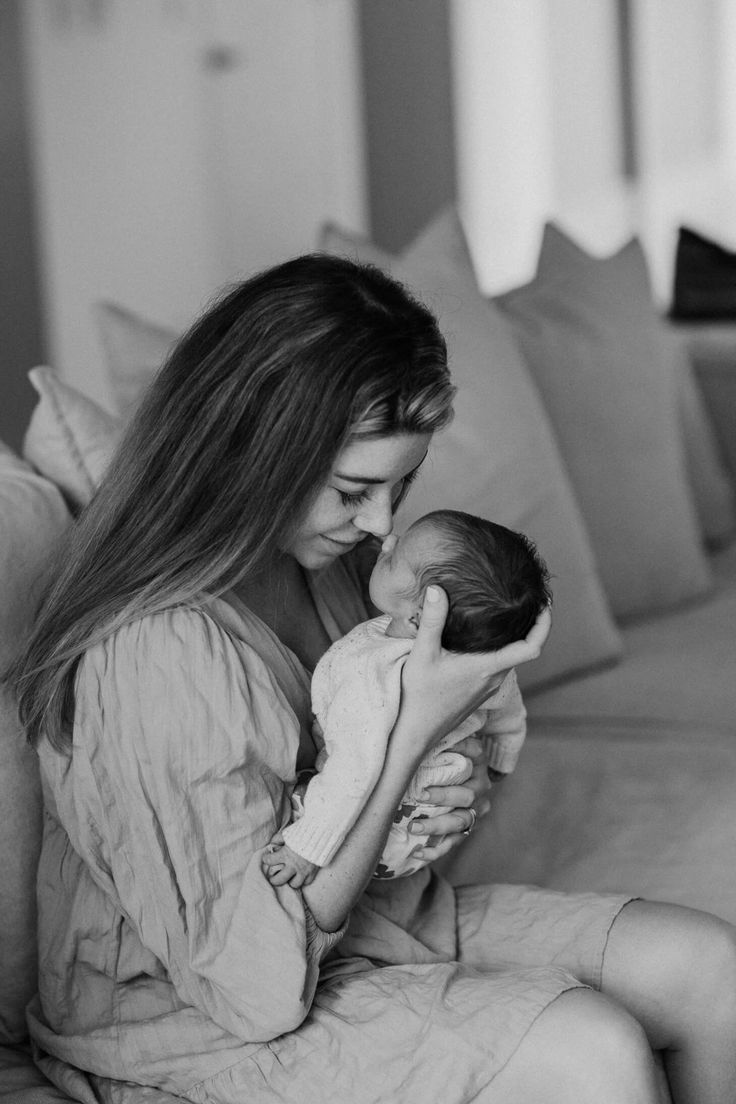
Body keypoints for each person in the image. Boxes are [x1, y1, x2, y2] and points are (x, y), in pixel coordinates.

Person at [8, 254, 736, 1104]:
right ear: (255, 449)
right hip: (187, 1021)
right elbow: (258, 989)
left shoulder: (328, 565)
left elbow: (384, 833)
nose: (383, 524)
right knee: (594, 1052)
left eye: (400, 486)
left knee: (712, 970)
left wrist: (449, 783)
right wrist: (409, 744)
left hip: (376, 932)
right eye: (356, 489)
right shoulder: (155, 653)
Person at [262, 509, 551, 886]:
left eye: (395, 558)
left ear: (419, 617)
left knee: (302, 797)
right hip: (429, 820)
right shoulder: (481, 670)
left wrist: (306, 849)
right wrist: (498, 762)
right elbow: (509, 714)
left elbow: (353, 773)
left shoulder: (373, 675)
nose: (388, 539)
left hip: (386, 833)